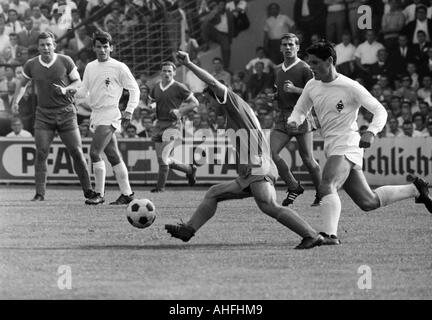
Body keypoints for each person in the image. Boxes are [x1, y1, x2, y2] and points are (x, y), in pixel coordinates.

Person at [165, 50, 325, 250]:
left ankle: (311, 235)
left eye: (208, 101)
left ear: (217, 97)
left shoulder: (231, 101)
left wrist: (188, 64)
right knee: (214, 193)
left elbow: (213, 83)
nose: (208, 107)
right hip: (253, 167)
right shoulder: (235, 115)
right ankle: (188, 229)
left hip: (258, 165)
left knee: (269, 205)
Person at [287, 40, 432, 246]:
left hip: (348, 142)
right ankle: (415, 189)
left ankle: (329, 236)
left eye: (315, 63)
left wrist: (371, 132)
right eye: (310, 63)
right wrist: (294, 121)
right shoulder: (311, 85)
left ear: (330, 61)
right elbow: (300, 110)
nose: (311, 67)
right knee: (368, 202)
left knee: (327, 184)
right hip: (331, 144)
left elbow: (380, 110)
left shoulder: (350, 86)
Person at [12, 31, 95, 202]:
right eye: (42, 45)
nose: (46, 47)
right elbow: (22, 85)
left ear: (54, 45)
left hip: (66, 112)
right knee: (41, 152)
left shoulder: (66, 61)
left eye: (49, 44)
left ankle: (88, 190)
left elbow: (78, 82)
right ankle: (40, 193)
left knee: (77, 152)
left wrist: (65, 90)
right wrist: (15, 102)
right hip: (43, 114)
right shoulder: (31, 64)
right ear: (39, 47)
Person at [74, 31, 139, 205]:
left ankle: (99, 193)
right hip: (96, 114)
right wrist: (68, 92)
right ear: (93, 48)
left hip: (110, 113)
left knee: (94, 152)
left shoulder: (119, 67)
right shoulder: (90, 66)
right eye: (99, 47)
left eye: (105, 46)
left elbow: (134, 89)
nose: (102, 50)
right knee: (113, 155)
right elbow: (83, 91)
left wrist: (129, 110)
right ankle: (127, 194)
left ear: (111, 47)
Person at [271, 33, 321, 207]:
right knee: (271, 153)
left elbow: (315, 94)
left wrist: (295, 89)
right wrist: (276, 95)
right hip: (283, 116)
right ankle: (293, 186)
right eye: (284, 44)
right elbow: (280, 91)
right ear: (280, 48)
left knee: (308, 159)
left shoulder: (305, 68)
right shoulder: (278, 69)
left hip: (301, 115)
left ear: (298, 48)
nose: (287, 47)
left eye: (291, 44)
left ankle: (322, 194)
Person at [149, 61, 199, 193]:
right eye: (164, 71)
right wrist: (153, 107)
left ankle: (160, 188)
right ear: (161, 72)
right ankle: (189, 169)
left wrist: (180, 111)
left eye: (169, 71)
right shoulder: (156, 87)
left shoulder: (179, 87)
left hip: (173, 125)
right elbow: (153, 101)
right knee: (162, 159)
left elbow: (195, 103)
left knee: (164, 158)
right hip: (159, 124)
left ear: (174, 73)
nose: (166, 73)